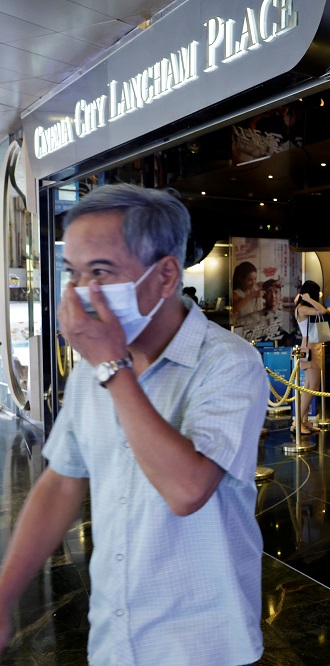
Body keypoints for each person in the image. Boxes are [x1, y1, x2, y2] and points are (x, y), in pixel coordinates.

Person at [0, 184, 268, 663]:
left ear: (165, 274)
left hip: (203, 642)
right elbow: (62, 482)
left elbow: (187, 490)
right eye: (73, 273)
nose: (83, 292)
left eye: (100, 271)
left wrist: (111, 367)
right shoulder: (93, 366)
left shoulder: (228, 364)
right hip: (114, 634)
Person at [294, 280, 330, 433]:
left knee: (309, 386)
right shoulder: (302, 308)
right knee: (313, 386)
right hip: (310, 347)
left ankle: (303, 421)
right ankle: (297, 422)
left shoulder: (301, 307)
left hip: (311, 345)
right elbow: (323, 310)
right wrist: (309, 299)